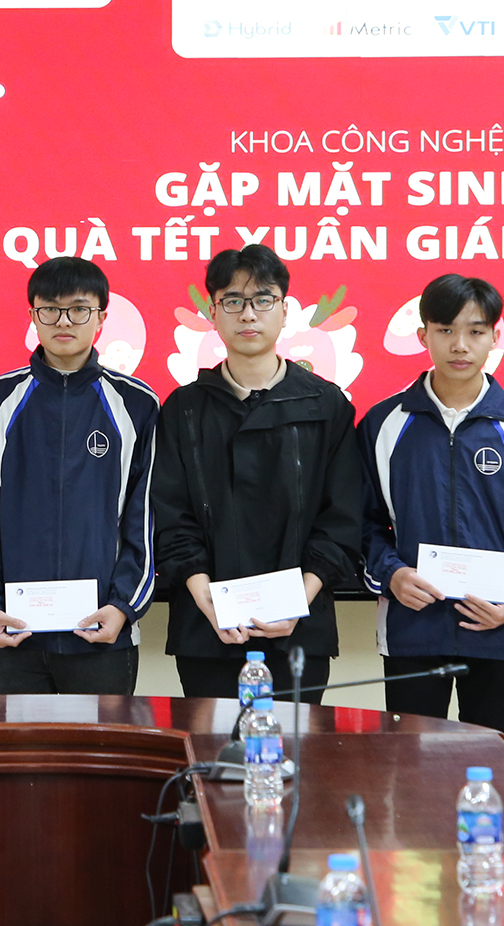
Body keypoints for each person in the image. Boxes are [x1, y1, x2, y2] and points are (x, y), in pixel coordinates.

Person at [358, 274, 504, 747]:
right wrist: (392, 574)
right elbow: (361, 522)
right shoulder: (383, 423)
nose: (460, 345)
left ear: (495, 336)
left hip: (500, 631)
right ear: (423, 336)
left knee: (491, 768)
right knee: (410, 770)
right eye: (445, 330)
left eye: (475, 331)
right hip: (412, 629)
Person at [152, 246, 365, 701]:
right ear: (213, 313)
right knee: (210, 746)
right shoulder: (184, 408)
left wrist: (298, 600)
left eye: (263, 300)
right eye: (233, 301)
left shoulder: (326, 405)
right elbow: (170, 515)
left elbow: (343, 518)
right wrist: (205, 598)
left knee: (294, 746)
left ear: (285, 311)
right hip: (207, 630)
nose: (248, 314)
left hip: (299, 630)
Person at [0, 256, 160, 696]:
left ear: (102, 318)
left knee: (101, 746)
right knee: (16, 746)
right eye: (50, 309)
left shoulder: (136, 404)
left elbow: (145, 517)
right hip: (14, 634)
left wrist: (123, 605)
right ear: (33, 316)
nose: (64, 321)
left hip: (103, 635)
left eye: (79, 309)